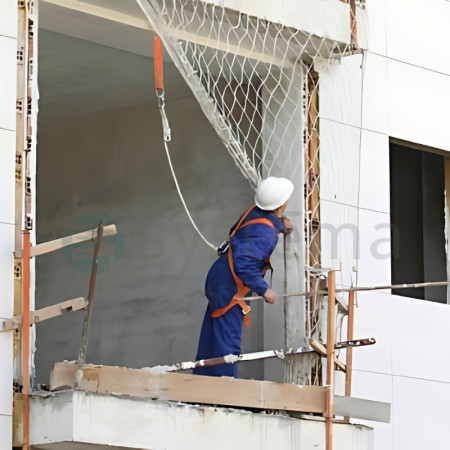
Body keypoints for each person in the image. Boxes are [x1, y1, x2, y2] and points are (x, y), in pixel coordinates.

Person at [193, 177, 295, 377]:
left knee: (212, 337)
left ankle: (201, 384)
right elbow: (245, 264)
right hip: (229, 286)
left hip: (220, 274)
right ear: (283, 203)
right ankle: (226, 392)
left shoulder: (254, 212)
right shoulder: (266, 233)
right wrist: (264, 290)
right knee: (227, 341)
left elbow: (247, 229)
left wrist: (281, 224)